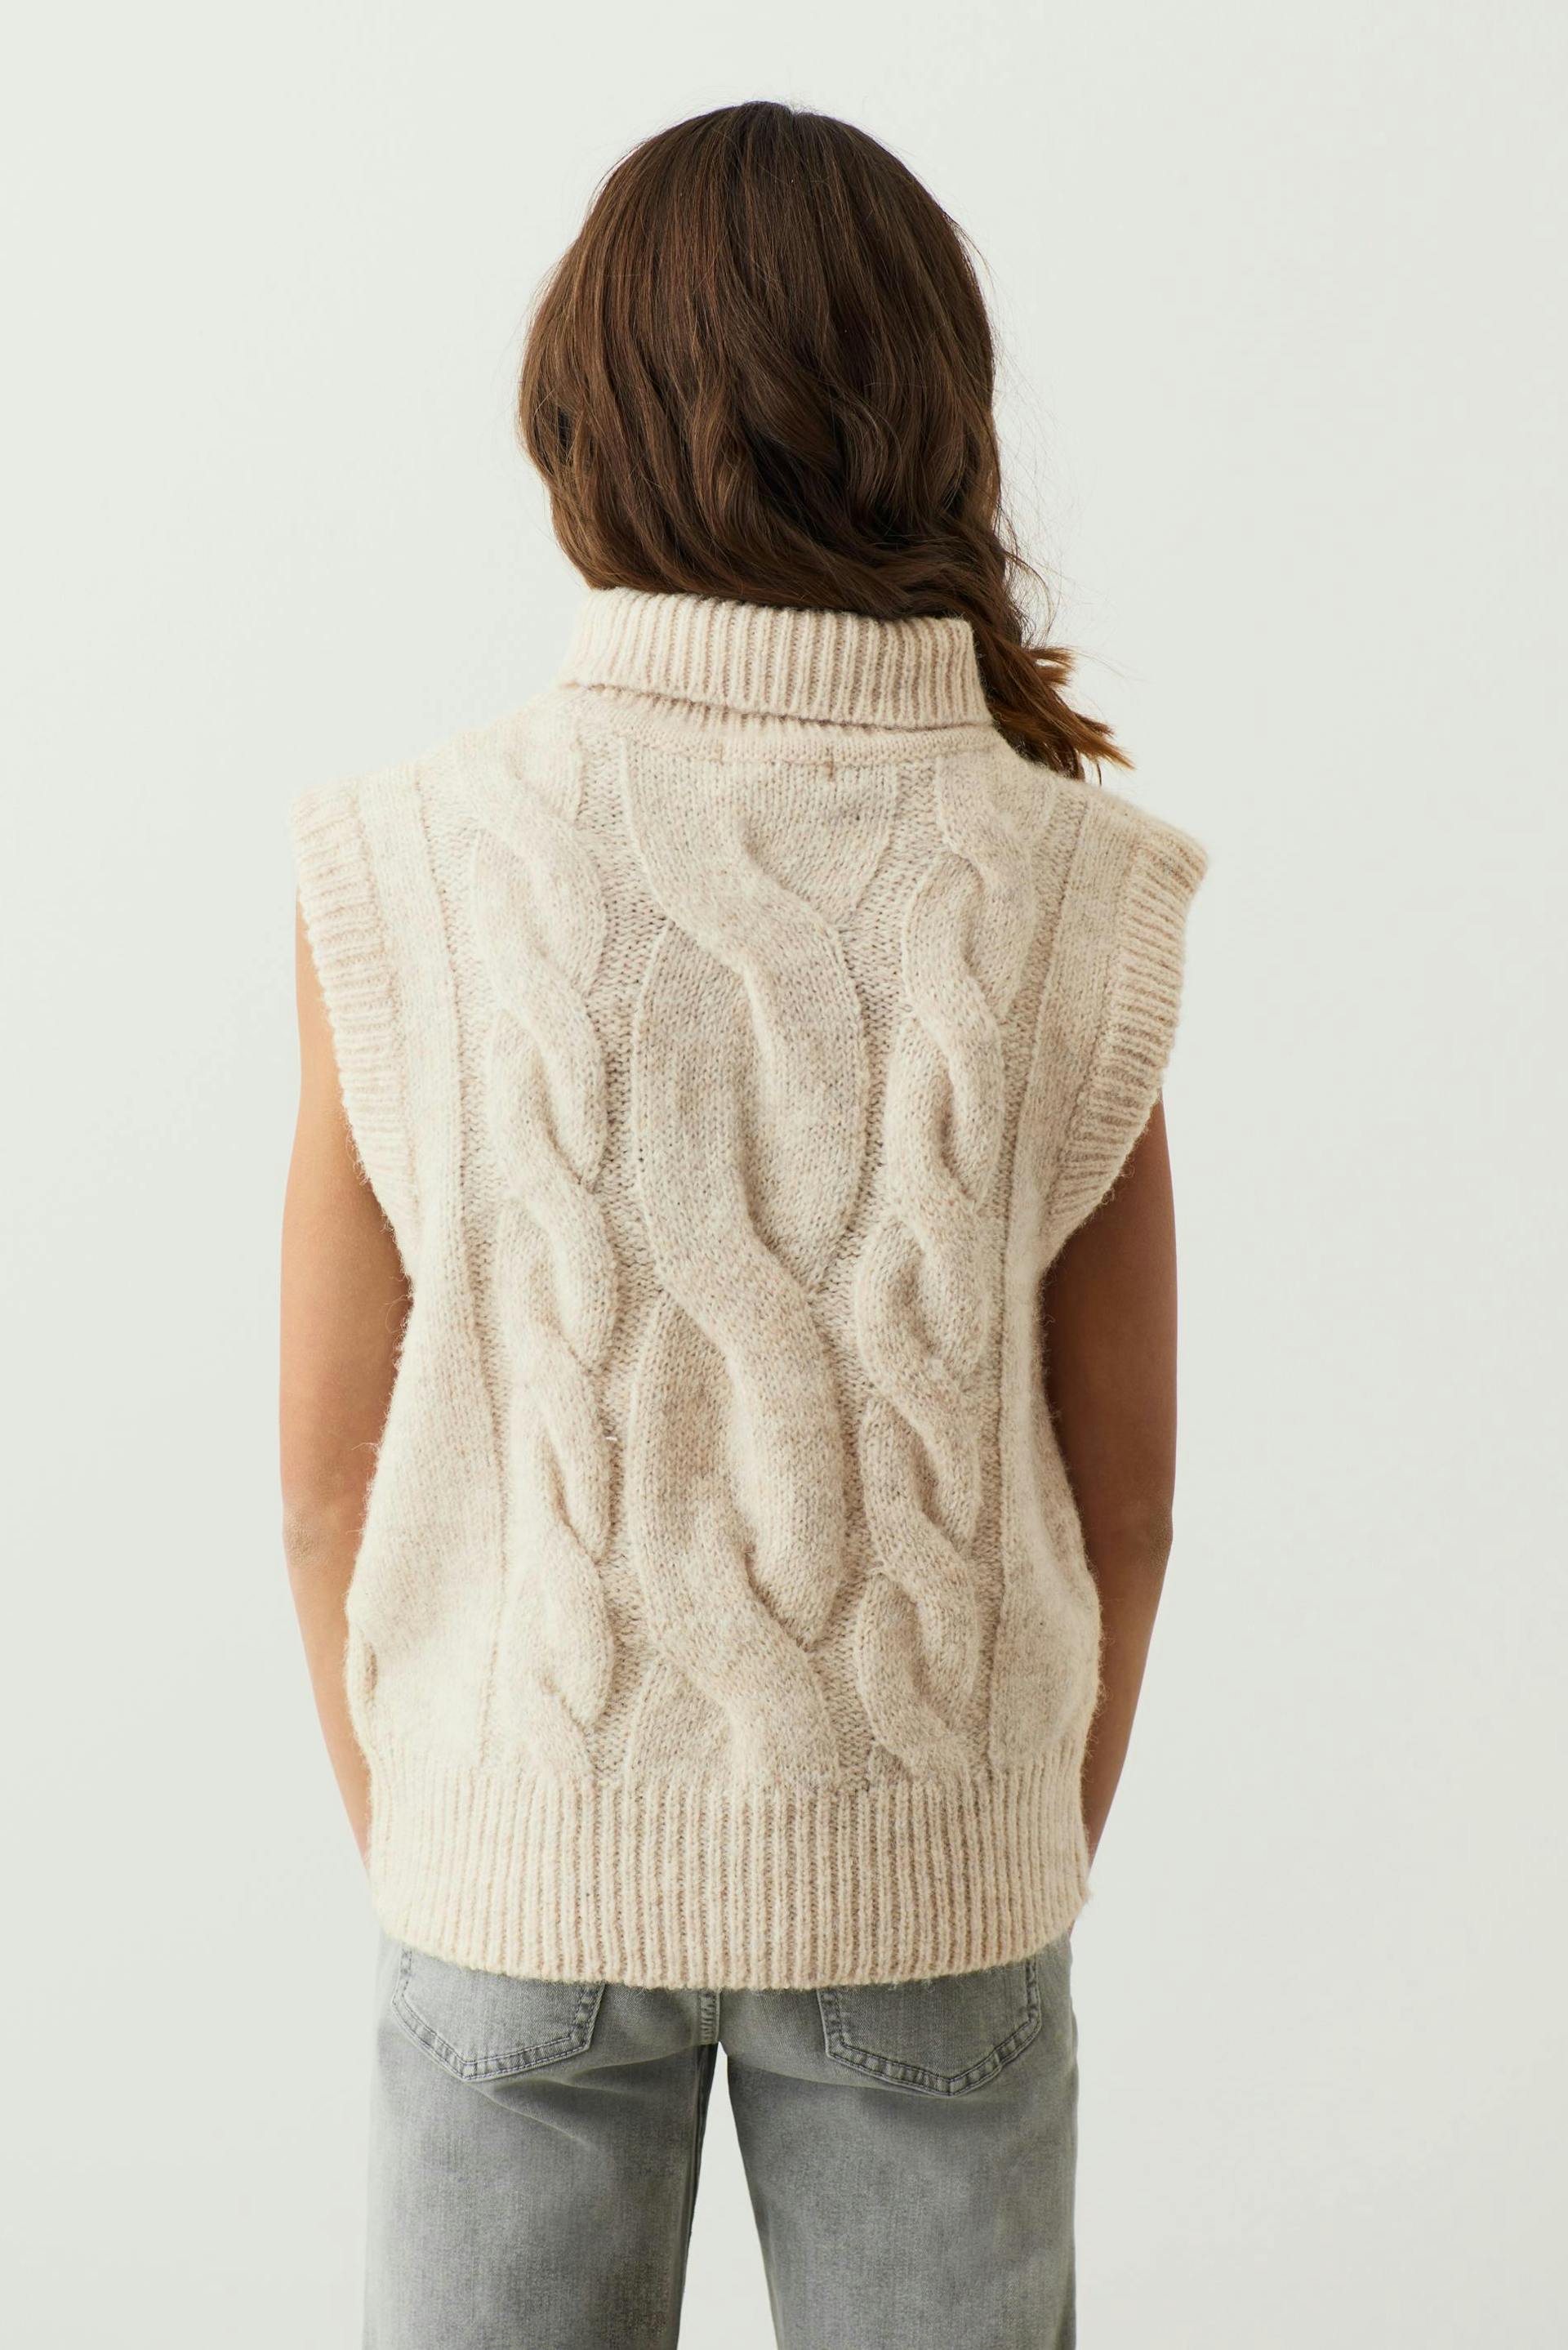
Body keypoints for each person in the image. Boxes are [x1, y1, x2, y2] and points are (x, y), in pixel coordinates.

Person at [280, 99, 1207, 2350]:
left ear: (579, 414)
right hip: (936, 1879)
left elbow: (322, 1481)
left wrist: (455, 1830)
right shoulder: (1068, 882)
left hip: (509, 1865)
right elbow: (1129, 1500)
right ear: (935, 418)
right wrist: (998, 1834)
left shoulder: (409, 862)